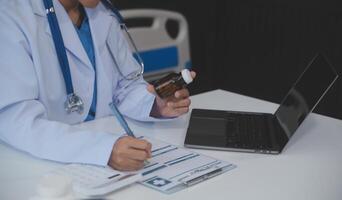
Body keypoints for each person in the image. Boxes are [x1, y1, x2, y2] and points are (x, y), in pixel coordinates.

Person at [0, 0, 195, 171]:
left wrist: (154, 106)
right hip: (41, 166)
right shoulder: (11, 17)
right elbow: (16, 121)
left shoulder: (102, 12)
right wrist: (102, 149)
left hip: (107, 153)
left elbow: (124, 86)